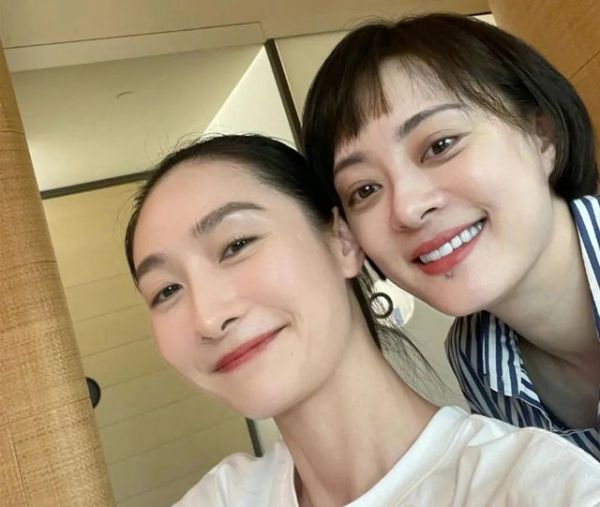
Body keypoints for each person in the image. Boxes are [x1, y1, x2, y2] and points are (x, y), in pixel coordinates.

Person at [125, 134, 600, 506]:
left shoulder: (532, 487)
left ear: (342, 241)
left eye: (236, 245)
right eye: (166, 291)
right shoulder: (226, 497)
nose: (208, 318)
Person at [301, 12, 600, 459]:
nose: (407, 208)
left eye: (440, 145)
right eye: (364, 190)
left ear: (542, 136)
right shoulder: (475, 358)